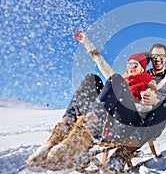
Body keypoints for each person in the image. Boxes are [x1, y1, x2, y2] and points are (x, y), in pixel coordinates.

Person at [26, 31, 158, 171]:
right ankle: (60, 134)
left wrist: (148, 100)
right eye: (129, 63)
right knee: (92, 79)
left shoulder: (148, 82)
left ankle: (82, 133)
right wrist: (87, 43)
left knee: (116, 80)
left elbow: (151, 105)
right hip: (104, 127)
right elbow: (101, 63)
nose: (131, 67)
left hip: (127, 126)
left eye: (135, 64)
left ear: (143, 67)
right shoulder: (121, 80)